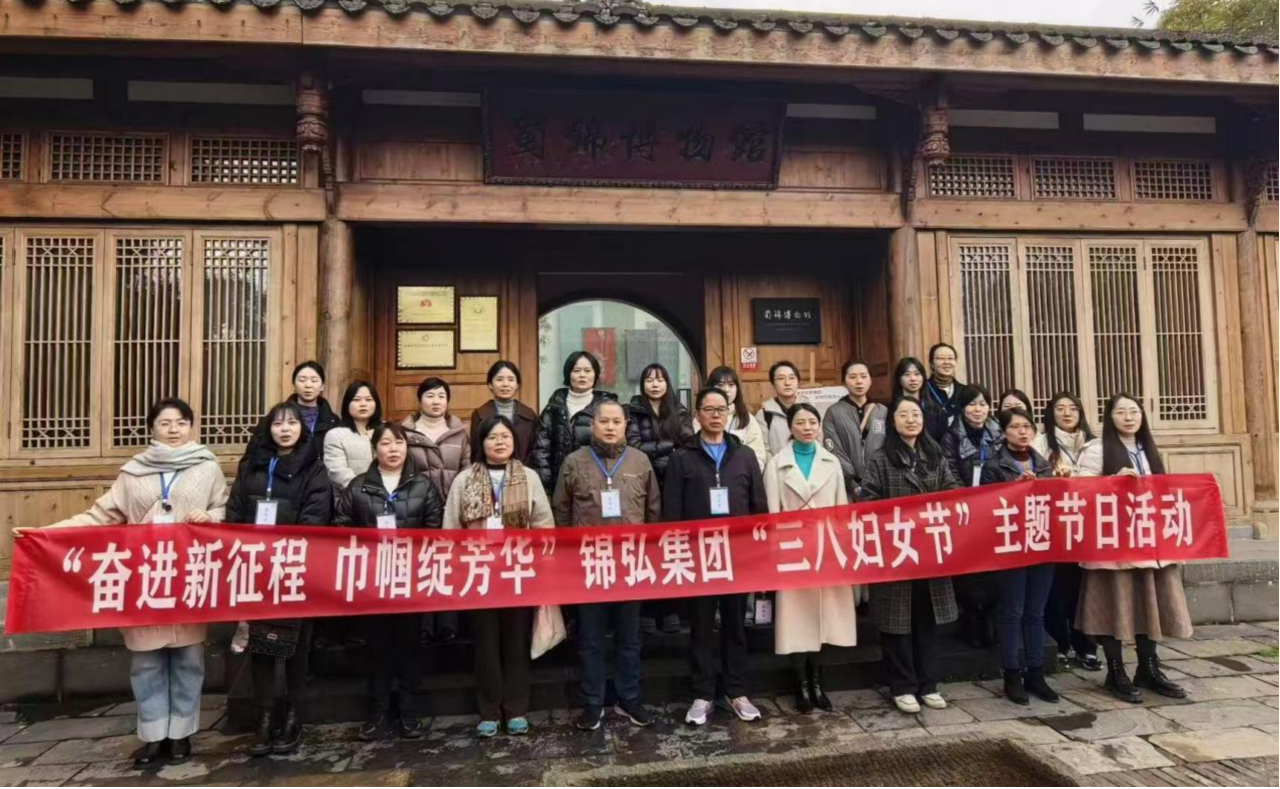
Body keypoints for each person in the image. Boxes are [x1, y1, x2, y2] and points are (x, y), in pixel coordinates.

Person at [18, 399, 227, 767]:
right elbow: (98, 515)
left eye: (181, 422)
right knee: (146, 662)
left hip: (188, 577)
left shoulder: (207, 467)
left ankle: (181, 734)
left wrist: (211, 516)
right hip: (143, 578)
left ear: (192, 426)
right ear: (152, 428)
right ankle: (153, 735)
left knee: (188, 659)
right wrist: (44, 533)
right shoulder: (132, 472)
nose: (174, 429)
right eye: (165, 422)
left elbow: (227, 509)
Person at [226, 402, 333, 756]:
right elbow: (235, 511)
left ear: (302, 429)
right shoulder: (252, 465)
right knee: (260, 645)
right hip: (255, 567)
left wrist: (285, 551)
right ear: (268, 428)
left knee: (296, 646)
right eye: (278, 423)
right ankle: (264, 717)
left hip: (296, 568)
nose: (285, 429)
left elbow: (316, 517)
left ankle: (293, 715)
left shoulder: (314, 469)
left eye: (292, 423)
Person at [1075, 394, 1191, 704]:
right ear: (1110, 417)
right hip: (1114, 545)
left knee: (1148, 603)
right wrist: (1112, 482)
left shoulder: (1149, 449)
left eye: (1134, 411)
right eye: (1121, 412)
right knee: (1113, 604)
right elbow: (1079, 491)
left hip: (1150, 541)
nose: (1128, 417)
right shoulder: (1097, 450)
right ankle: (1115, 671)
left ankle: (1148, 667)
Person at [444, 416, 555, 739]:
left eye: (505, 436)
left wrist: (542, 565)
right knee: (486, 643)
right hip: (478, 574)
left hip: (519, 572)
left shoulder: (528, 476)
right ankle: (489, 711)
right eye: (492, 437)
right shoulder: (465, 479)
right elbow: (451, 527)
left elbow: (544, 524)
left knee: (516, 641)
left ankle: (517, 709)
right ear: (482, 442)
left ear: (514, 441)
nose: (499, 442)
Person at [553, 400, 661, 732]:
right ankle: (593, 702)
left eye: (616, 421)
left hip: (630, 563)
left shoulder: (640, 461)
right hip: (590, 565)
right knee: (591, 639)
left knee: (630, 638)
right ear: (593, 425)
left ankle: (629, 697)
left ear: (626, 424)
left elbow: (653, 512)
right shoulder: (575, 461)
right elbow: (562, 512)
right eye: (604, 421)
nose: (610, 427)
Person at [665, 388, 768, 727]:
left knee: (736, 624)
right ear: (697, 415)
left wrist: (757, 551)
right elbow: (673, 512)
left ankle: (737, 691)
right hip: (699, 556)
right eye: (708, 410)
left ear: (729, 414)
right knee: (701, 627)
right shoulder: (683, 457)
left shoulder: (745, 455)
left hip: (737, 555)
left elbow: (758, 506)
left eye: (721, 409)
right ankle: (703, 693)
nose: (715, 415)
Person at [335, 423, 445, 741]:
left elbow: (435, 528)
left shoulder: (423, 485)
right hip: (372, 581)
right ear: (375, 449)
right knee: (376, 649)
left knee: (410, 647)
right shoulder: (358, 486)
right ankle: (378, 712)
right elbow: (340, 529)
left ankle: (410, 712)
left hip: (411, 580)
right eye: (385, 443)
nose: (393, 449)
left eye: (398, 443)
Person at [861, 396, 960, 715]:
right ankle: (902, 685)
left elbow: (953, 492)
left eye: (915, 414)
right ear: (893, 422)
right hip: (897, 552)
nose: (910, 419)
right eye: (903, 414)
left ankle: (928, 683)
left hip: (930, 551)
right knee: (897, 623)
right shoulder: (880, 459)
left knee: (926, 621)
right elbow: (869, 502)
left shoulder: (935, 455)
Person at [764, 403, 855, 714]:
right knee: (796, 621)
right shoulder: (777, 464)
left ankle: (818, 683)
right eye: (800, 422)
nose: (807, 427)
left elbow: (841, 509)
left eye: (812, 422)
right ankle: (801, 685)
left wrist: (842, 546)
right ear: (790, 427)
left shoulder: (832, 461)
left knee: (823, 619)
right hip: (792, 550)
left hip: (825, 548)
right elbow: (772, 513)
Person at [979, 407, 1058, 707]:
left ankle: (1036, 673)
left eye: (1027, 426)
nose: (1022, 432)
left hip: (1041, 544)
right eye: (1015, 427)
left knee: (1036, 612)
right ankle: (1011, 673)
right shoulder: (994, 465)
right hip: (1011, 547)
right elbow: (986, 505)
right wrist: (1014, 489)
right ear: (1004, 432)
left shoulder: (1044, 465)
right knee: (1012, 612)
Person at [1034, 392, 1101, 672]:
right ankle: (1061, 643)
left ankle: (1087, 646)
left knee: (1087, 588)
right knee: (1058, 588)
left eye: (1072, 408)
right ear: (1051, 414)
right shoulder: (1040, 443)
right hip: (1056, 526)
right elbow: (1033, 481)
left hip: (1089, 525)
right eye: (1060, 408)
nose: (1066, 413)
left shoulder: (1095, 444)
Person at [626, 363, 694, 635]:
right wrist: (669, 445)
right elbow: (634, 446)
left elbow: (689, 442)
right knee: (646, 549)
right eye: (649, 380)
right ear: (642, 384)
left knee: (671, 548)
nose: (655, 384)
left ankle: (670, 609)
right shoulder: (632, 410)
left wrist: (665, 449)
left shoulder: (679, 411)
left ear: (668, 383)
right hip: (642, 485)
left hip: (675, 486)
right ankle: (648, 609)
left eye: (660, 379)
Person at [940, 385, 1002, 648]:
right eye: (972, 404)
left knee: (993, 568)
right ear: (962, 408)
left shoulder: (998, 432)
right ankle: (971, 618)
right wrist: (967, 501)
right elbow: (949, 470)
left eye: (983, 404)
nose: (978, 410)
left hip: (996, 509)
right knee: (968, 569)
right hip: (965, 510)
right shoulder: (951, 436)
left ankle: (989, 618)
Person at [532, 351, 618, 494]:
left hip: (596, 484)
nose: (582, 375)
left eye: (587, 371)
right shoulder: (554, 406)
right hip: (559, 484)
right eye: (576, 371)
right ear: (568, 374)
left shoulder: (606, 407)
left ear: (595, 374)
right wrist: (545, 484)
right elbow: (541, 448)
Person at [245, 361, 343, 457]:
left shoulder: (333, 421)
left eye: (314, 381)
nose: (308, 385)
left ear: (322, 386)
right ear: (294, 385)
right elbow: (251, 457)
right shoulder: (274, 418)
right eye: (302, 380)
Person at [823, 359, 888, 499]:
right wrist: (852, 483)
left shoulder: (882, 411)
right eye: (852, 377)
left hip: (879, 484)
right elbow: (833, 449)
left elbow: (888, 446)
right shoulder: (833, 412)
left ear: (870, 380)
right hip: (845, 486)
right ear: (844, 382)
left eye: (864, 376)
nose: (859, 381)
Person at [403, 377, 471, 499]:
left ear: (447, 401)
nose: (436, 401)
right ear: (419, 400)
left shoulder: (459, 433)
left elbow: (467, 468)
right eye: (430, 396)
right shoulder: (405, 433)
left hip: (453, 501)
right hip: (416, 502)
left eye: (441, 396)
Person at [471, 361, 538, 464]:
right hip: (489, 470)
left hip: (523, 470)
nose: (505, 384)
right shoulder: (480, 414)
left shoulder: (529, 415)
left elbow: (535, 451)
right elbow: (476, 451)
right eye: (499, 379)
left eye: (511, 379)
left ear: (517, 385)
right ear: (490, 384)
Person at [704, 366, 768, 473]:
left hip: (740, 479)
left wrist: (741, 477)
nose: (726, 390)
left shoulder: (747, 419)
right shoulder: (702, 417)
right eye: (720, 385)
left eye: (731, 385)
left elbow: (758, 458)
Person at [323, 381, 383, 489]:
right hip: (353, 495)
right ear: (347, 404)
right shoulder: (336, 435)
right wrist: (363, 490)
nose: (363, 404)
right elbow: (338, 472)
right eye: (356, 400)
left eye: (368, 399)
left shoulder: (386, 430)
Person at [756, 361, 802, 458]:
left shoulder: (810, 409)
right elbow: (763, 450)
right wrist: (775, 466)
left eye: (792, 378)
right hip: (777, 466)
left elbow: (818, 442)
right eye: (781, 378)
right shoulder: (764, 414)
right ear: (773, 383)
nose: (787, 383)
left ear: (798, 381)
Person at [922, 343, 965, 440]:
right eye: (940, 358)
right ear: (931, 363)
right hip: (930, 443)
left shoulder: (964, 391)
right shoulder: (922, 390)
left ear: (955, 362)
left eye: (950, 358)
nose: (946, 362)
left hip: (958, 444)